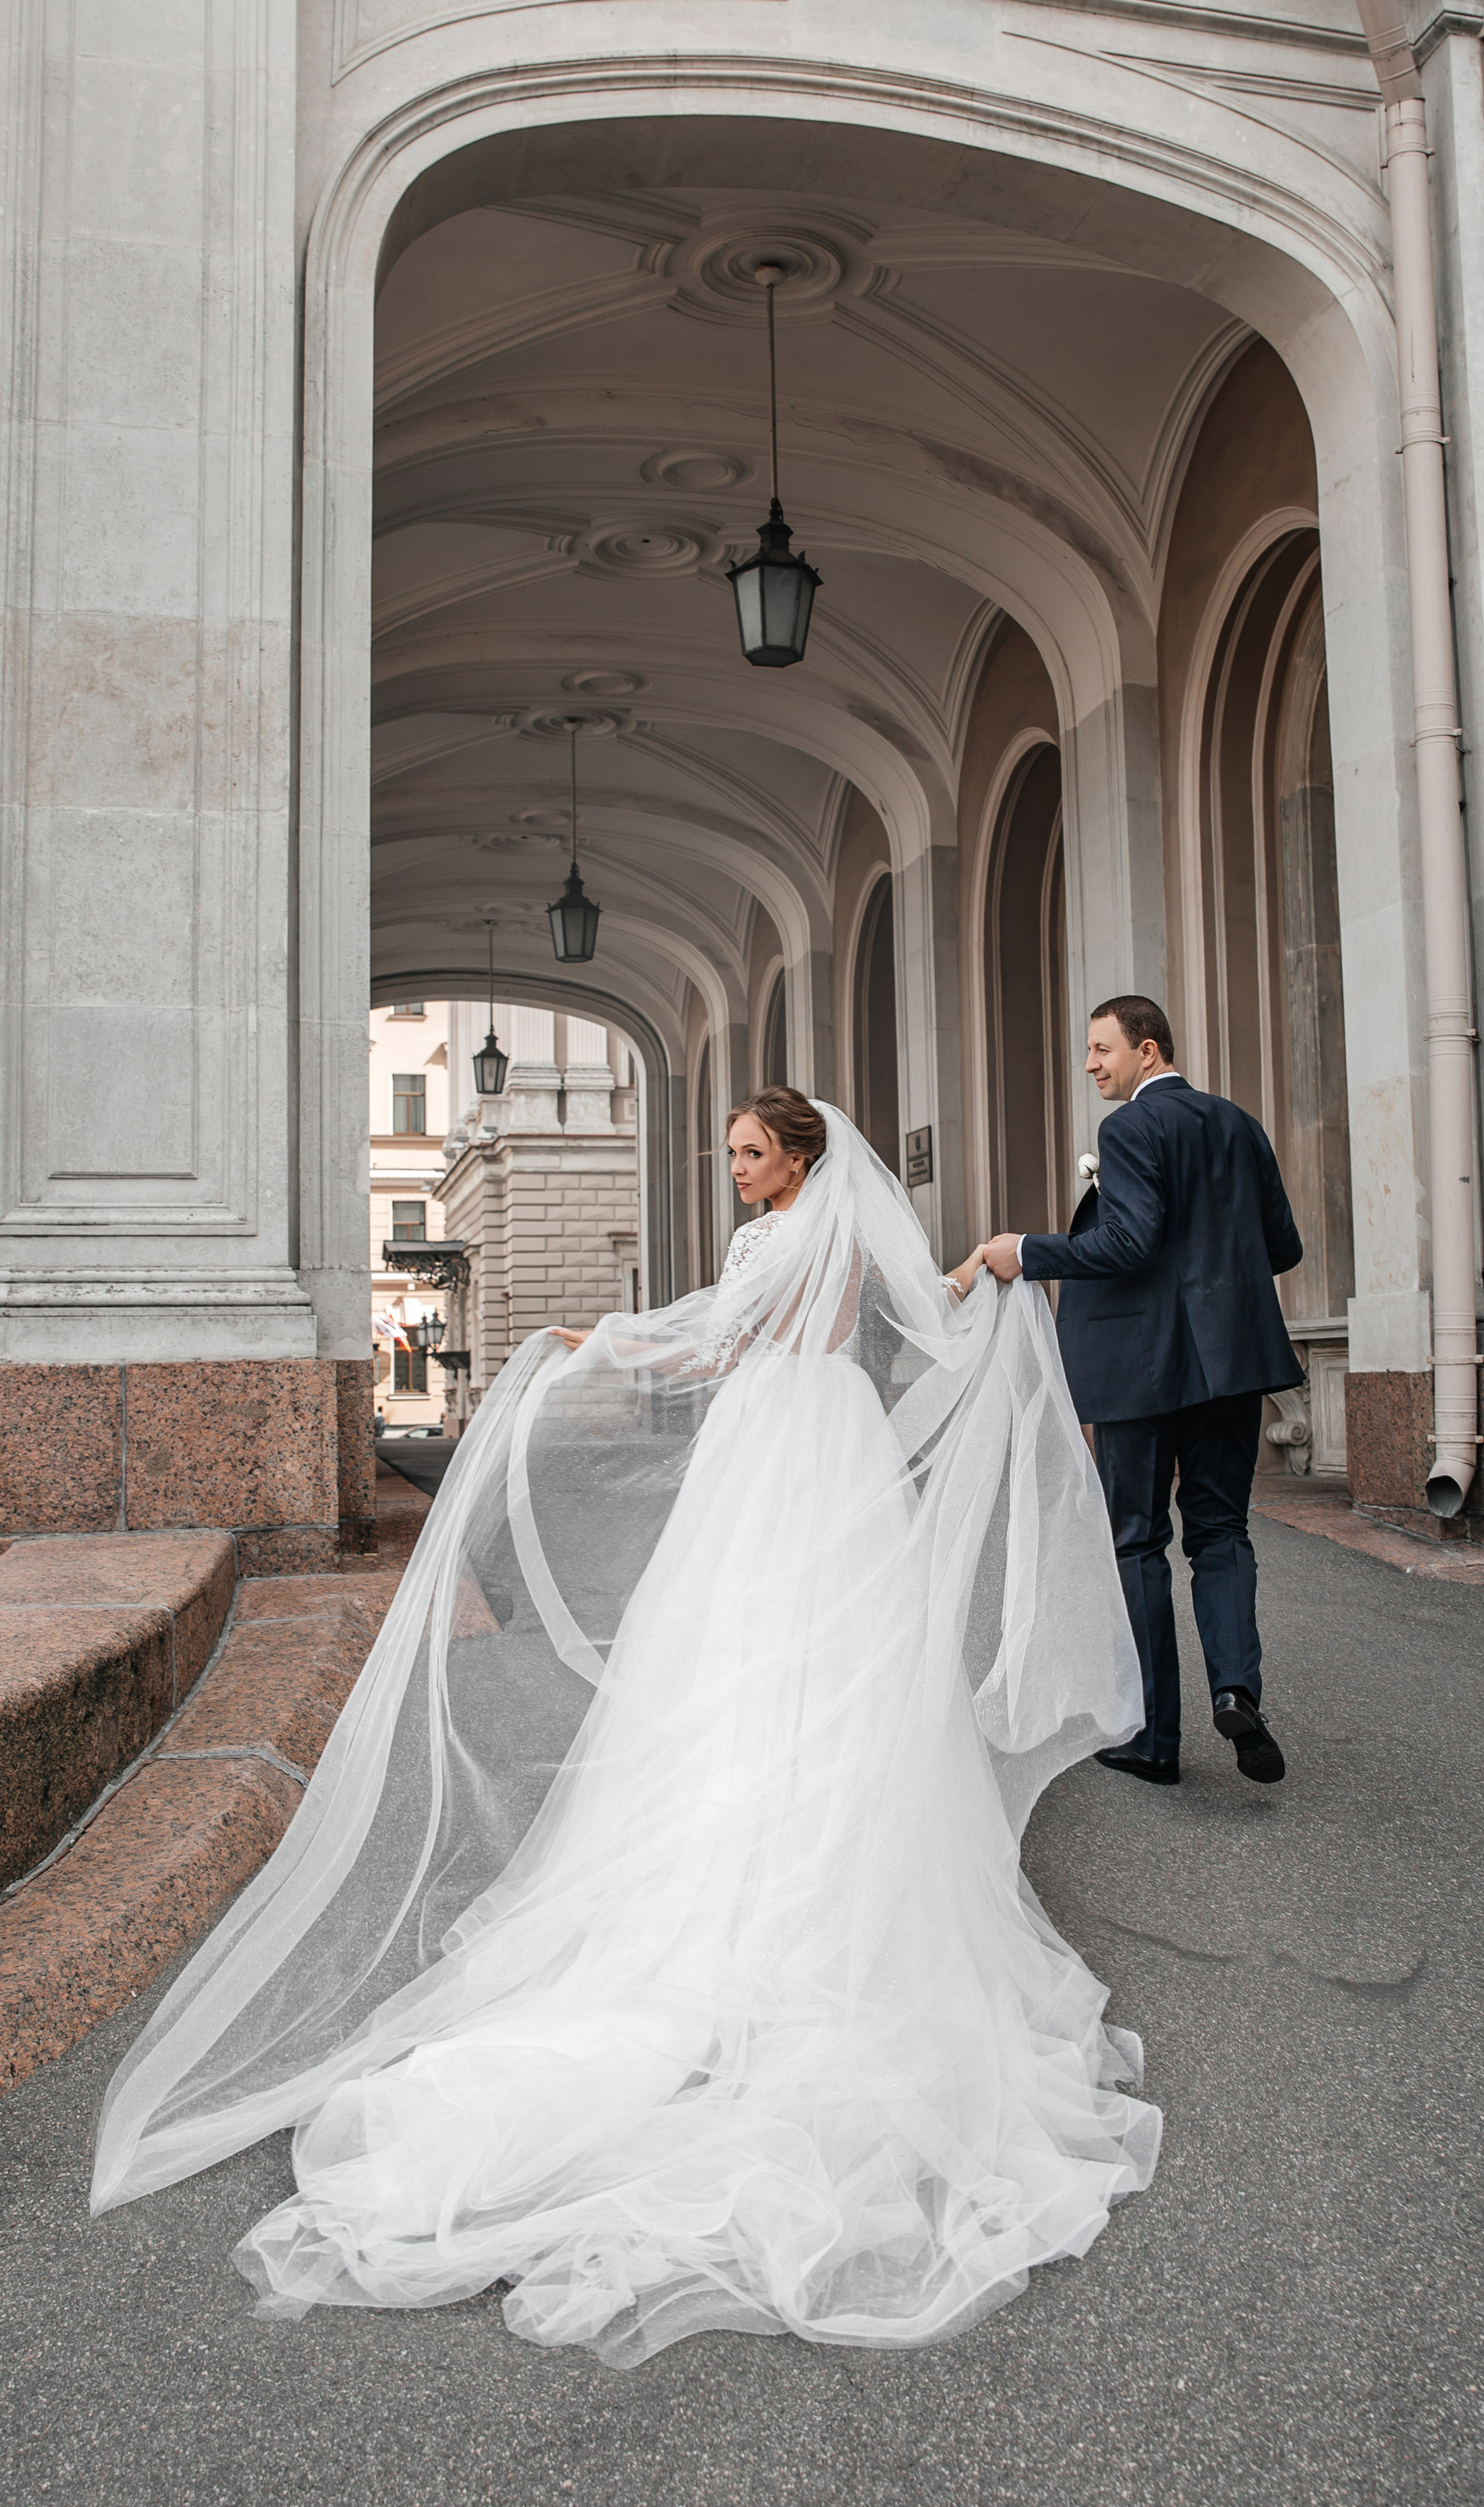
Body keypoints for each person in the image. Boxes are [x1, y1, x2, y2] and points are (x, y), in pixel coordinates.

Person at [92, 1091, 1160, 2365]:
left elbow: (708, 1349)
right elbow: (929, 1324)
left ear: (799, 1158)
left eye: (752, 1154)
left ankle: (746, 1861)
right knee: (837, 1662)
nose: (736, 1172)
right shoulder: (862, 1235)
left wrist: (589, 1343)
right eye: (732, 1155)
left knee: (737, 1649)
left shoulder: (776, 1243)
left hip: (771, 1444)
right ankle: (837, 1856)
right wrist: (995, 1276)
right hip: (842, 1448)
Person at [968, 997, 1304, 1790]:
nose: (1090, 1064)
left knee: (1138, 1541)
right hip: (1234, 1367)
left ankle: (1154, 1737)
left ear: (1147, 1051)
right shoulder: (1237, 1124)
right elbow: (1281, 1246)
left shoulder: (1127, 1130)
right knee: (1221, 1534)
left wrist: (1024, 1249)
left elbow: (1128, 1241)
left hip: (1142, 1372)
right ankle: (1234, 1689)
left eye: (1100, 1049)